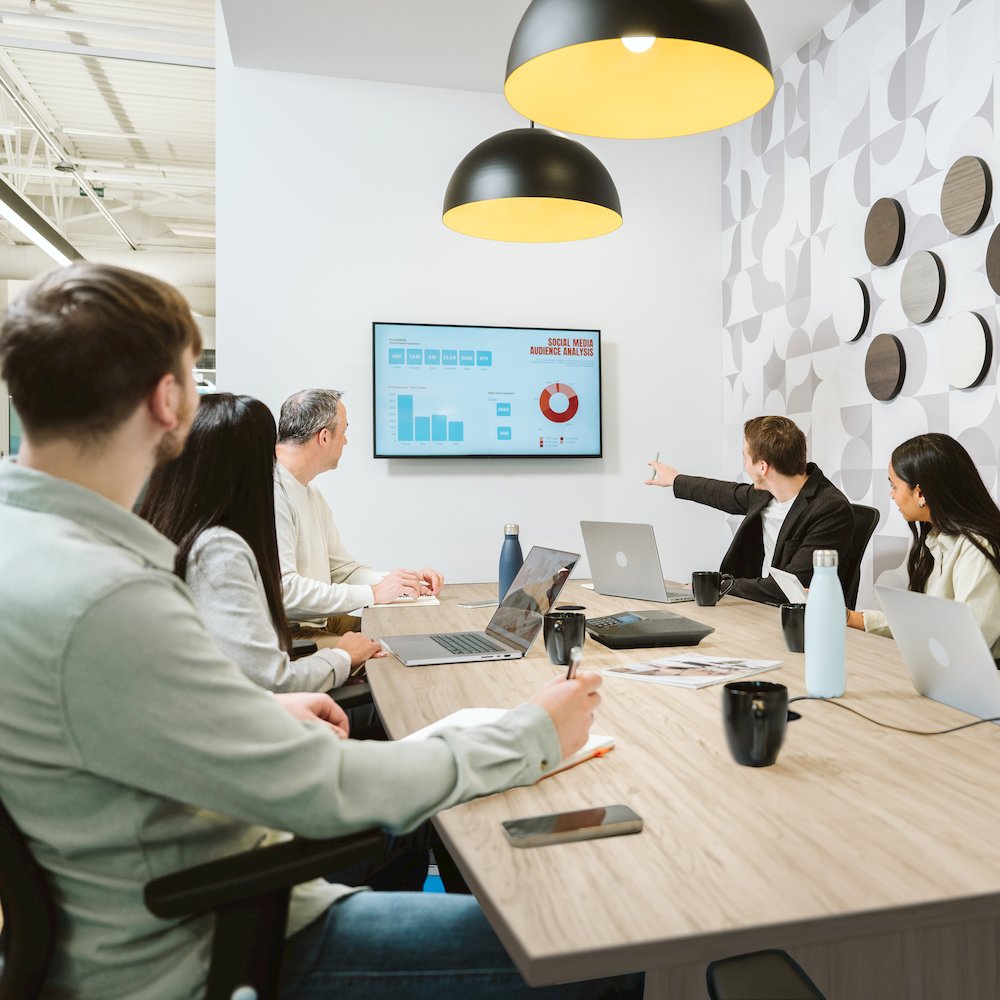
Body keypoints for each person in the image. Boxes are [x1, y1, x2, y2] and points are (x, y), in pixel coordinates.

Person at [0, 262, 641, 1000]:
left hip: (133, 906)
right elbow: (318, 790)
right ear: (168, 399)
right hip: (211, 939)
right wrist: (531, 733)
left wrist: (250, 713)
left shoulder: (36, 554)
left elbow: (98, 719)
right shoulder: (108, 597)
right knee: (605, 950)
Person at [139, 392, 383, 697]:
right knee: (385, 658)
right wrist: (342, 657)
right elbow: (273, 678)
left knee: (386, 631)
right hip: (279, 664)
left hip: (260, 679)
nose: (276, 458)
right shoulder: (220, 551)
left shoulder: (186, 533)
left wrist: (392, 586)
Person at [275, 388, 445, 634]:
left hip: (319, 620)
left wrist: (404, 583)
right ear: (324, 437)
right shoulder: (273, 493)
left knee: (408, 631)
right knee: (389, 651)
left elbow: (342, 571)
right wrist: (374, 593)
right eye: (343, 432)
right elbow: (286, 592)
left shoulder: (310, 493)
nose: (346, 441)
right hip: (290, 633)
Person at [646, 415, 853, 604]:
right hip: (759, 605)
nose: (744, 464)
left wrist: (719, 585)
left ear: (762, 467)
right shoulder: (767, 493)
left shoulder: (829, 509)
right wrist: (675, 480)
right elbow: (723, 493)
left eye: (745, 457)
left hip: (798, 617)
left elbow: (791, 588)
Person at [847, 433, 1000, 657]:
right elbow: (924, 622)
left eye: (894, 486)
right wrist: (850, 617)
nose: (892, 496)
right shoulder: (935, 540)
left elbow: (967, 642)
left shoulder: (978, 549)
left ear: (920, 493)